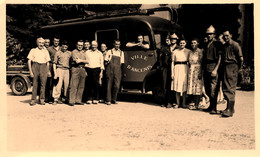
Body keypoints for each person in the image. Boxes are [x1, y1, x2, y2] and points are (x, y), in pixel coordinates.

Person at [221, 30, 243, 117]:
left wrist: (238, 69)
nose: (225, 37)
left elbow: (241, 58)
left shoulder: (235, 45)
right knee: (225, 87)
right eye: (224, 36)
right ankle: (229, 108)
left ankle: (230, 109)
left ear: (231, 35)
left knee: (231, 87)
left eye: (227, 35)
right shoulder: (225, 45)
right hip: (226, 66)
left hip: (233, 66)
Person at [202, 25, 222, 114]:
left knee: (213, 88)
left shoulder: (217, 44)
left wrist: (215, 70)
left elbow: (220, 58)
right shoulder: (206, 44)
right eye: (208, 34)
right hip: (206, 67)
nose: (209, 35)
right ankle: (210, 106)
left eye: (211, 34)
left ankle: (214, 107)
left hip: (213, 66)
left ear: (214, 34)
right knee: (207, 88)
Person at [27, 37, 51, 105]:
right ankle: (33, 99)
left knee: (43, 84)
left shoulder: (46, 51)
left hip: (43, 67)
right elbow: (29, 61)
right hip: (35, 66)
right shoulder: (33, 50)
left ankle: (42, 99)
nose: (41, 44)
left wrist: (48, 71)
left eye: (43, 43)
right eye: (40, 43)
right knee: (35, 84)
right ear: (37, 43)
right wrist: (30, 71)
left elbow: (48, 62)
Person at [160, 33, 179, 108]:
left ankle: (173, 101)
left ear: (176, 40)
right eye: (171, 39)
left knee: (173, 85)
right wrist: (161, 67)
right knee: (165, 85)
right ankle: (165, 101)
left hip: (175, 68)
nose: (173, 40)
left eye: (174, 39)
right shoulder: (165, 48)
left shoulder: (178, 48)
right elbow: (161, 59)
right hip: (166, 68)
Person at [171, 38, 191, 108]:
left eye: (183, 43)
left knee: (184, 87)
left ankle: (184, 103)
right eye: (181, 43)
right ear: (178, 44)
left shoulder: (188, 51)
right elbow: (172, 62)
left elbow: (190, 61)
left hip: (185, 68)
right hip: (177, 68)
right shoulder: (175, 51)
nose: (182, 44)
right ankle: (177, 103)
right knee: (177, 87)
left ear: (185, 44)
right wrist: (172, 73)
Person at [104, 40, 124, 105]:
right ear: (114, 44)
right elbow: (106, 61)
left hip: (117, 70)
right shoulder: (110, 51)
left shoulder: (121, 52)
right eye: (116, 44)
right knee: (109, 85)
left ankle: (114, 99)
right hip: (110, 69)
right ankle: (108, 100)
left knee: (117, 85)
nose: (117, 45)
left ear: (120, 45)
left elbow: (121, 63)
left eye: (118, 44)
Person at [69, 40, 88, 106]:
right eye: (79, 45)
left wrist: (81, 60)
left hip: (83, 69)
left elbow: (88, 61)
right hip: (75, 68)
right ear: (76, 45)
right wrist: (83, 61)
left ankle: (78, 100)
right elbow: (76, 61)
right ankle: (72, 101)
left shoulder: (84, 52)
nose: (80, 46)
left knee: (81, 86)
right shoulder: (74, 52)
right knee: (74, 85)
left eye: (81, 45)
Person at [52, 40, 72, 105]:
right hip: (59, 69)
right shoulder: (58, 53)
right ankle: (56, 99)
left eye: (66, 47)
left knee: (66, 85)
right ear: (61, 46)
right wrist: (55, 73)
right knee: (58, 85)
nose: (64, 48)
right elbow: (54, 63)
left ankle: (65, 98)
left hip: (67, 70)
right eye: (63, 46)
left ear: (67, 47)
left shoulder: (70, 53)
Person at [187, 38, 203, 110]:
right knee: (192, 87)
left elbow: (202, 62)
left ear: (197, 43)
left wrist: (200, 72)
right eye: (192, 43)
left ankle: (197, 104)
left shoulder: (200, 51)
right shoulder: (190, 52)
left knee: (197, 87)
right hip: (191, 69)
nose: (193, 44)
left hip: (198, 69)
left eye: (195, 43)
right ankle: (193, 102)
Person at [45, 36, 60, 104]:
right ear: (53, 41)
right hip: (51, 66)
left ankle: (57, 98)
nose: (56, 42)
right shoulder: (49, 49)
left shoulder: (61, 48)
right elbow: (46, 59)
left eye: (57, 41)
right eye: (55, 41)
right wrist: (48, 70)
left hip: (58, 67)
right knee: (50, 83)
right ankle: (49, 98)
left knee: (58, 83)